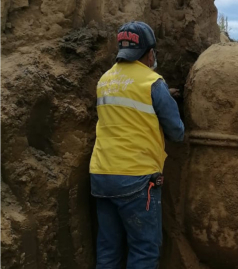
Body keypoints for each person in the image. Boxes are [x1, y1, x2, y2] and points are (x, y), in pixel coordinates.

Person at [89, 21, 184, 269]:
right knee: (143, 250)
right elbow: (176, 131)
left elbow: (127, 108)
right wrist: (168, 102)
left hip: (101, 174)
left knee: (109, 249)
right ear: (150, 52)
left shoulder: (105, 80)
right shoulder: (153, 82)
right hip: (136, 178)